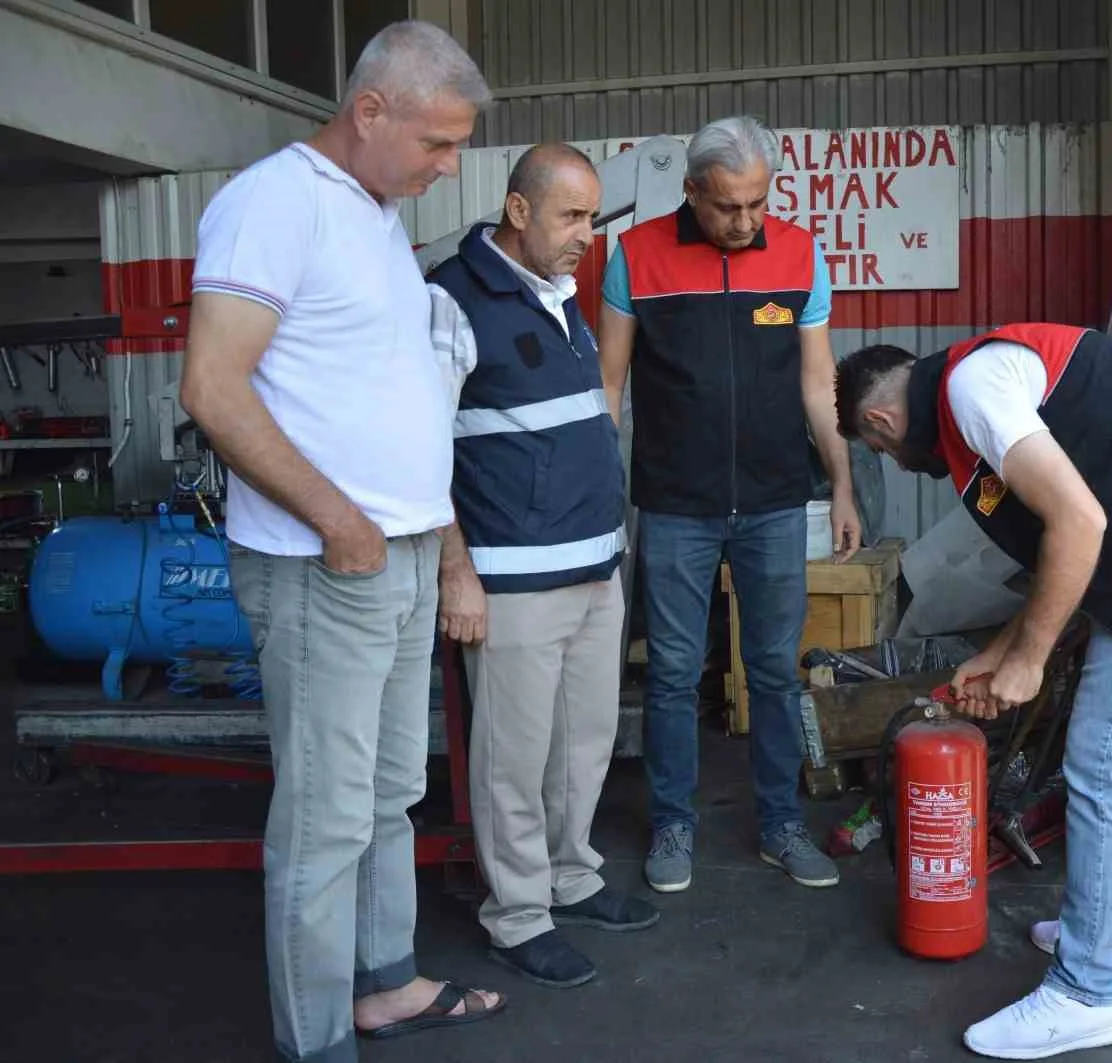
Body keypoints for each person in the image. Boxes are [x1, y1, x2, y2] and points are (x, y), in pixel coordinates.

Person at [179, 21, 506, 1063]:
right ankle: (315, 1040)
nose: (449, 167)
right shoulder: (274, 203)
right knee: (324, 822)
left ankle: (382, 983)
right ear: (371, 110)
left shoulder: (369, 215)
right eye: (438, 144)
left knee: (386, 795)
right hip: (329, 562)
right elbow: (212, 388)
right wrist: (339, 521)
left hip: (397, 553)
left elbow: (396, 403)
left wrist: (437, 547)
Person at [833, 323, 1112, 1058]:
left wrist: (1031, 659)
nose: (895, 460)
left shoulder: (971, 389)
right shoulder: (970, 400)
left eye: (880, 449)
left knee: (1102, 760)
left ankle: (1084, 992)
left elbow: (1079, 521)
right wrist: (1002, 650)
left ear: (880, 422)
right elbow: (1064, 549)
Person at [597, 115, 862, 894]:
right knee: (675, 672)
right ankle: (674, 822)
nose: (744, 222)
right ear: (690, 193)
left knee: (774, 671)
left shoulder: (800, 252)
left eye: (755, 204)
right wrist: (595, 489)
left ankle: (781, 823)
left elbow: (819, 383)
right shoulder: (636, 256)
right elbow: (608, 384)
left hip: (778, 500)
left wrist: (840, 482)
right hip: (676, 503)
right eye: (724, 208)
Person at [425, 143, 660, 990]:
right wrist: (458, 572)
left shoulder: (562, 297)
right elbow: (422, 451)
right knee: (512, 761)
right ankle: (518, 914)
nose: (586, 237)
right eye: (571, 216)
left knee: (583, 744)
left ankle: (570, 875)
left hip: (595, 567)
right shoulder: (452, 301)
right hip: (512, 581)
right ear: (518, 211)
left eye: (592, 218)